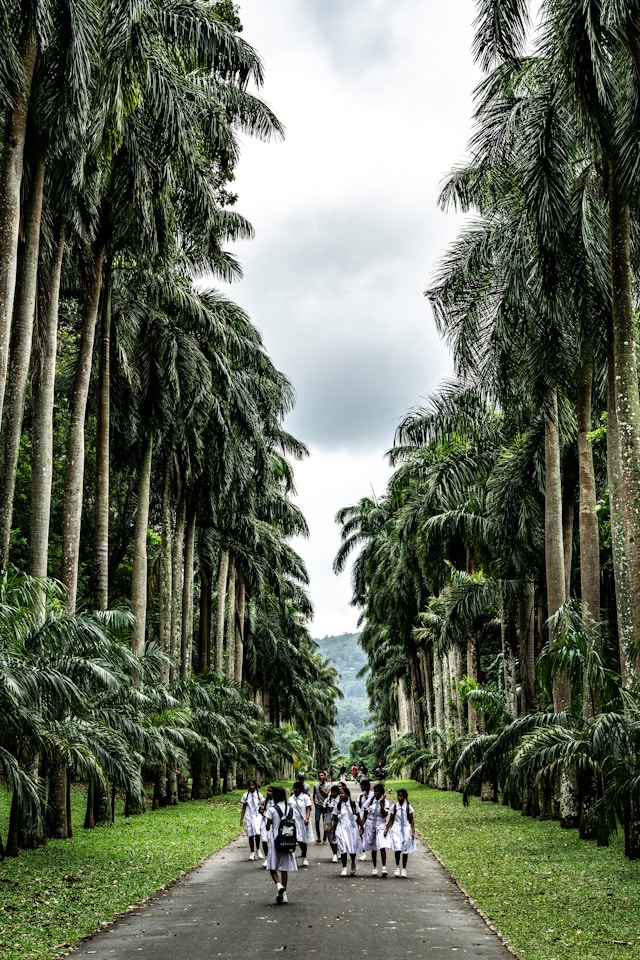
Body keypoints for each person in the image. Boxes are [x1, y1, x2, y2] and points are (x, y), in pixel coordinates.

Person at [265, 786, 298, 903]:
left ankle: (278, 885)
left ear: (275, 796)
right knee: (284, 869)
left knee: (272, 867)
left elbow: (267, 826)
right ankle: (284, 896)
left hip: (275, 841)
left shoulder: (272, 810)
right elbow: (293, 823)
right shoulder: (290, 809)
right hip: (287, 841)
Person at [384, 787, 416, 877]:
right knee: (397, 847)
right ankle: (397, 867)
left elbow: (411, 820)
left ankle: (404, 869)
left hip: (406, 828)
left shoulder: (408, 807)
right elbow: (391, 819)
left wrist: (413, 831)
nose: (399, 797)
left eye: (401, 796)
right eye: (398, 796)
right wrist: (387, 829)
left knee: (405, 848)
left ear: (405, 796)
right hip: (396, 828)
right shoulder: (394, 807)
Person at [360, 781, 390, 877]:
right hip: (370, 824)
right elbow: (365, 813)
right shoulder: (370, 800)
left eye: (378, 792)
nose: (376, 793)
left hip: (381, 824)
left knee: (381, 845)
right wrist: (362, 826)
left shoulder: (385, 802)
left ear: (382, 792)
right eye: (375, 791)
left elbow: (385, 814)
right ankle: (374, 867)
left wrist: (381, 803)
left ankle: (384, 867)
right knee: (373, 847)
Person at [332, 782, 362, 876]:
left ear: (347, 795)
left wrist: (362, 827)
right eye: (340, 793)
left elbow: (358, 817)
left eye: (342, 793)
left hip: (352, 828)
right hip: (341, 828)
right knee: (343, 848)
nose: (340, 795)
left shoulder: (353, 805)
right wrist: (334, 832)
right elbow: (335, 819)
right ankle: (344, 867)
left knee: (352, 849)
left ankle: (353, 862)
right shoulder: (338, 806)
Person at [290, 779, 314, 865]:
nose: (295, 790)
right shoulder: (291, 799)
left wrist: (307, 818)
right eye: (294, 788)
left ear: (300, 789)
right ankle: (291, 858)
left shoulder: (305, 797)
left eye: (297, 788)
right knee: (294, 839)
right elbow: (289, 809)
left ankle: (304, 856)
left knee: (302, 840)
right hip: (293, 821)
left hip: (303, 820)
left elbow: (308, 808)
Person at [240, 780, 265, 860]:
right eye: (250, 785)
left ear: (255, 786)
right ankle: (252, 852)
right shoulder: (245, 795)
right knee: (250, 834)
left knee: (257, 833)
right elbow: (244, 807)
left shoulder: (259, 795)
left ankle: (258, 850)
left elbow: (262, 805)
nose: (251, 787)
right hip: (249, 816)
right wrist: (241, 818)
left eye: (253, 785)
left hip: (257, 816)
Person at [356, 778, 374, 861]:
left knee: (371, 834)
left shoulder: (373, 795)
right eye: (361, 786)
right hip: (362, 816)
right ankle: (363, 852)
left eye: (364, 786)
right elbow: (358, 807)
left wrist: (367, 797)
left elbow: (371, 805)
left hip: (371, 817)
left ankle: (373, 849)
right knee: (361, 834)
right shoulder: (360, 796)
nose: (362, 788)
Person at [324, 783, 340, 862]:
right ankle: (334, 852)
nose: (333, 794)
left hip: (337, 821)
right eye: (332, 792)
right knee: (330, 837)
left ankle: (336, 852)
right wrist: (327, 807)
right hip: (328, 820)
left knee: (336, 836)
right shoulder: (327, 800)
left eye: (335, 792)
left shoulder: (340, 799)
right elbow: (323, 810)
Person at [259, 785, 275, 866]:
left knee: (272, 842)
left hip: (274, 824)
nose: (268, 793)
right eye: (267, 791)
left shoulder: (276, 802)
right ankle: (267, 858)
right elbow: (261, 811)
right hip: (265, 822)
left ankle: (274, 858)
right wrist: (261, 811)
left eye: (270, 791)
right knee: (264, 840)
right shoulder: (264, 802)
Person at [312, 771, 329, 843]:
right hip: (318, 805)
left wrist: (321, 788)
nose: (321, 777)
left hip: (325, 805)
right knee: (317, 820)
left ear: (325, 776)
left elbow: (327, 795)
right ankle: (318, 837)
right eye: (320, 776)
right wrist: (314, 803)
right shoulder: (315, 785)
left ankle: (325, 838)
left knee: (325, 822)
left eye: (322, 775)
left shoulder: (328, 785)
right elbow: (313, 795)